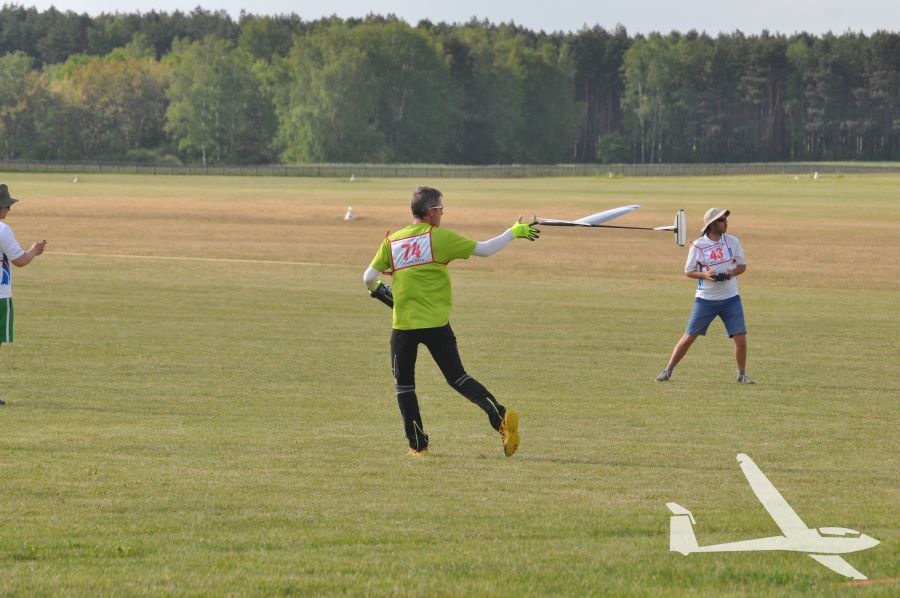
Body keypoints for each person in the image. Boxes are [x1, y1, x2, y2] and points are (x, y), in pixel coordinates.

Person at [363, 186, 540, 457]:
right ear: (430, 211)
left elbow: (368, 277)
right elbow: (485, 250)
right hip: (437, 324)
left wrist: (379, 292)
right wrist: (513, 232)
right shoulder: (439, 238)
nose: (442, 214)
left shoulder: (392, 241)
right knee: (458, 377)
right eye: (441, 209)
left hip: (404, 327)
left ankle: (418, 446)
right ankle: (500, 417)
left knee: (405, 387)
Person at [656, 207, 754, 384]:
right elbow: (689, 271)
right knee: (689, 336)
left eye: (725, 219)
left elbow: (742, 266)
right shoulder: (698, 245)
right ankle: (667, 370)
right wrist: (705, 275)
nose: (726, 223)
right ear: (711, 224)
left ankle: (742, 375)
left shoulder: (732, 241)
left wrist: (731, 273)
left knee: (740, 336)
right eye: (721, 220)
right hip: (706, 300)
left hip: (731, 298)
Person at [0, 184, 48, 406]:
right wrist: (34, 250)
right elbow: (20, 260)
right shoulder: (3, 230)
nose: (9, 210)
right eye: (7, 205)